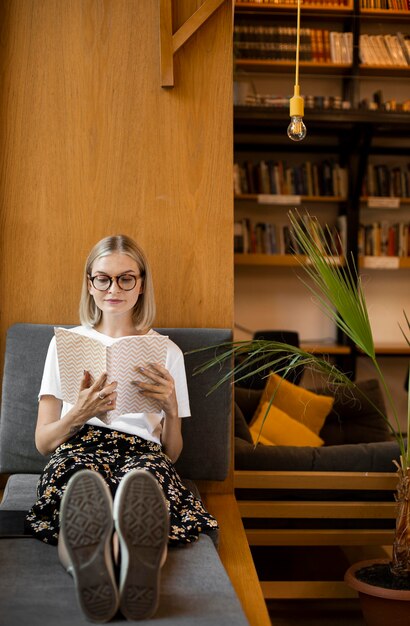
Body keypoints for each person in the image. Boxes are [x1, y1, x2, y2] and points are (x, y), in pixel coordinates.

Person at [25, 234, 218, 623]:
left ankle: (136, 564)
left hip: (143, 451)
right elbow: (44, 442)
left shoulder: (167, 352)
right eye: (104, 278)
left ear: (142, 283)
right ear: (89, 284)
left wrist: (171, 409)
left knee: (145, 485)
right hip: (78, 445)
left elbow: (172, 453)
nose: (114, 289)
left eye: (126, 278)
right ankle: (92, 561)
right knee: (79, 490)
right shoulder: (64, 345)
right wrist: (77, 414)